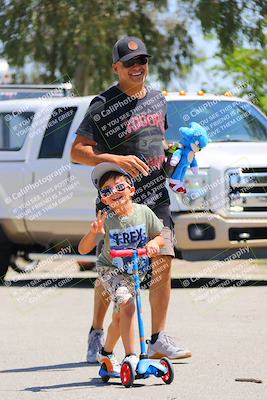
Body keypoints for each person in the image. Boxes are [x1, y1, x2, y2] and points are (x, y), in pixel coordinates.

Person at [71, 35, 192, 363]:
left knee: (163, 258)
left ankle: (157, 338)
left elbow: (158, 142)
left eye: (143, 61)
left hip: (155, 194)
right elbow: (78, 151)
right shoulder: (102, 104)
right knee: (113, 267)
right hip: (118, 200)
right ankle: (97, 332)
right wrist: (117, 160)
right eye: (130, 63)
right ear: (117, 67)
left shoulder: (158, 99)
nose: (138, 67)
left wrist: (177, 158)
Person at [78, 163, 165, 372]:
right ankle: (132, 356)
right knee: (128, 306)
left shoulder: (144, 212)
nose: (114, 193)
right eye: (106, 191)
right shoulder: (106, 219)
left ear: (132, 190)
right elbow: (82, 249)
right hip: (111, 270)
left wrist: (154, 243)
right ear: (104, 199)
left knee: (120, 316)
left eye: (119, 187)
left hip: (135, 271)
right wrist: (93, 234)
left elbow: (161, 235)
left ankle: (106, 353)